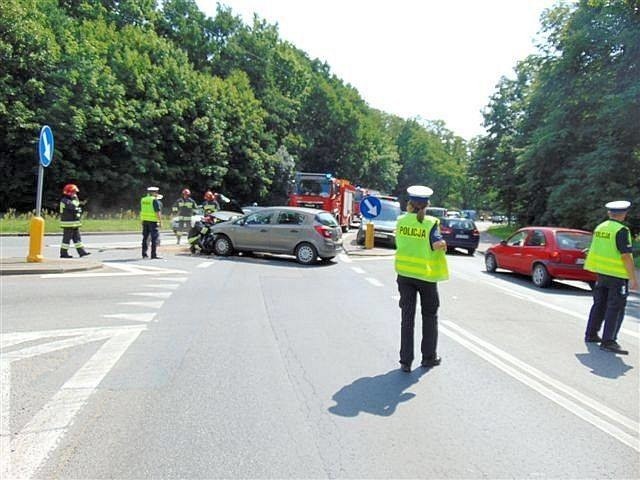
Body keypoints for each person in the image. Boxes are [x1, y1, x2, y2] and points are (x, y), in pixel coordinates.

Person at [395, 185, 449, 372]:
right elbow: (436, 244)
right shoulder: (430, 222)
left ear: (409, 203)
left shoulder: (401, 221)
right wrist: (443, 244)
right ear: (426, 205)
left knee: (407, 318)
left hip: (404, 275)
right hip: (425, 276)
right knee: (429, 316)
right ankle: (428, 358)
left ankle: (405, 361)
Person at [584, 200, 638, 354]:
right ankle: (609, 341)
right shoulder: (621, 230)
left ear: (609, 213)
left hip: (601, 273)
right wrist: (633, 278)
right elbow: (626, 256)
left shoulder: (600, 227)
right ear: (624, 214)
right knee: (616, 308)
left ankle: (591, 334)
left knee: (599, 305)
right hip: (617, 275)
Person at [59, 183, 90, 258]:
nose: (75, 194)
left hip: (74, 223)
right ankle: (63, 253)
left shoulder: (70, 200)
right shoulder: (65, 200)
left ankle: (81, 252)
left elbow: (77, 206)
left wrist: (76, 199)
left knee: (77, 238)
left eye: (75, 192)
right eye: (73, 192)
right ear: (68, 192)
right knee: (66, 240)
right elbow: (74, 206)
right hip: (68, 224)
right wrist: (76, 199)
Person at [141, 186, 163, 259]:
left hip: (145, 221)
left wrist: (142, 220)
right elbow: (157, 212)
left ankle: (144, 254)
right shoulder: (154, 200)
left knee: (145, 238)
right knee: (154, 238)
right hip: (153, 221)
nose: (157, 194)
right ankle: (153, 255)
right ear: (154, 192)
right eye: (156, 192)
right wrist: (160, 221)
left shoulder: (143, 199)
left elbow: (142, 210)